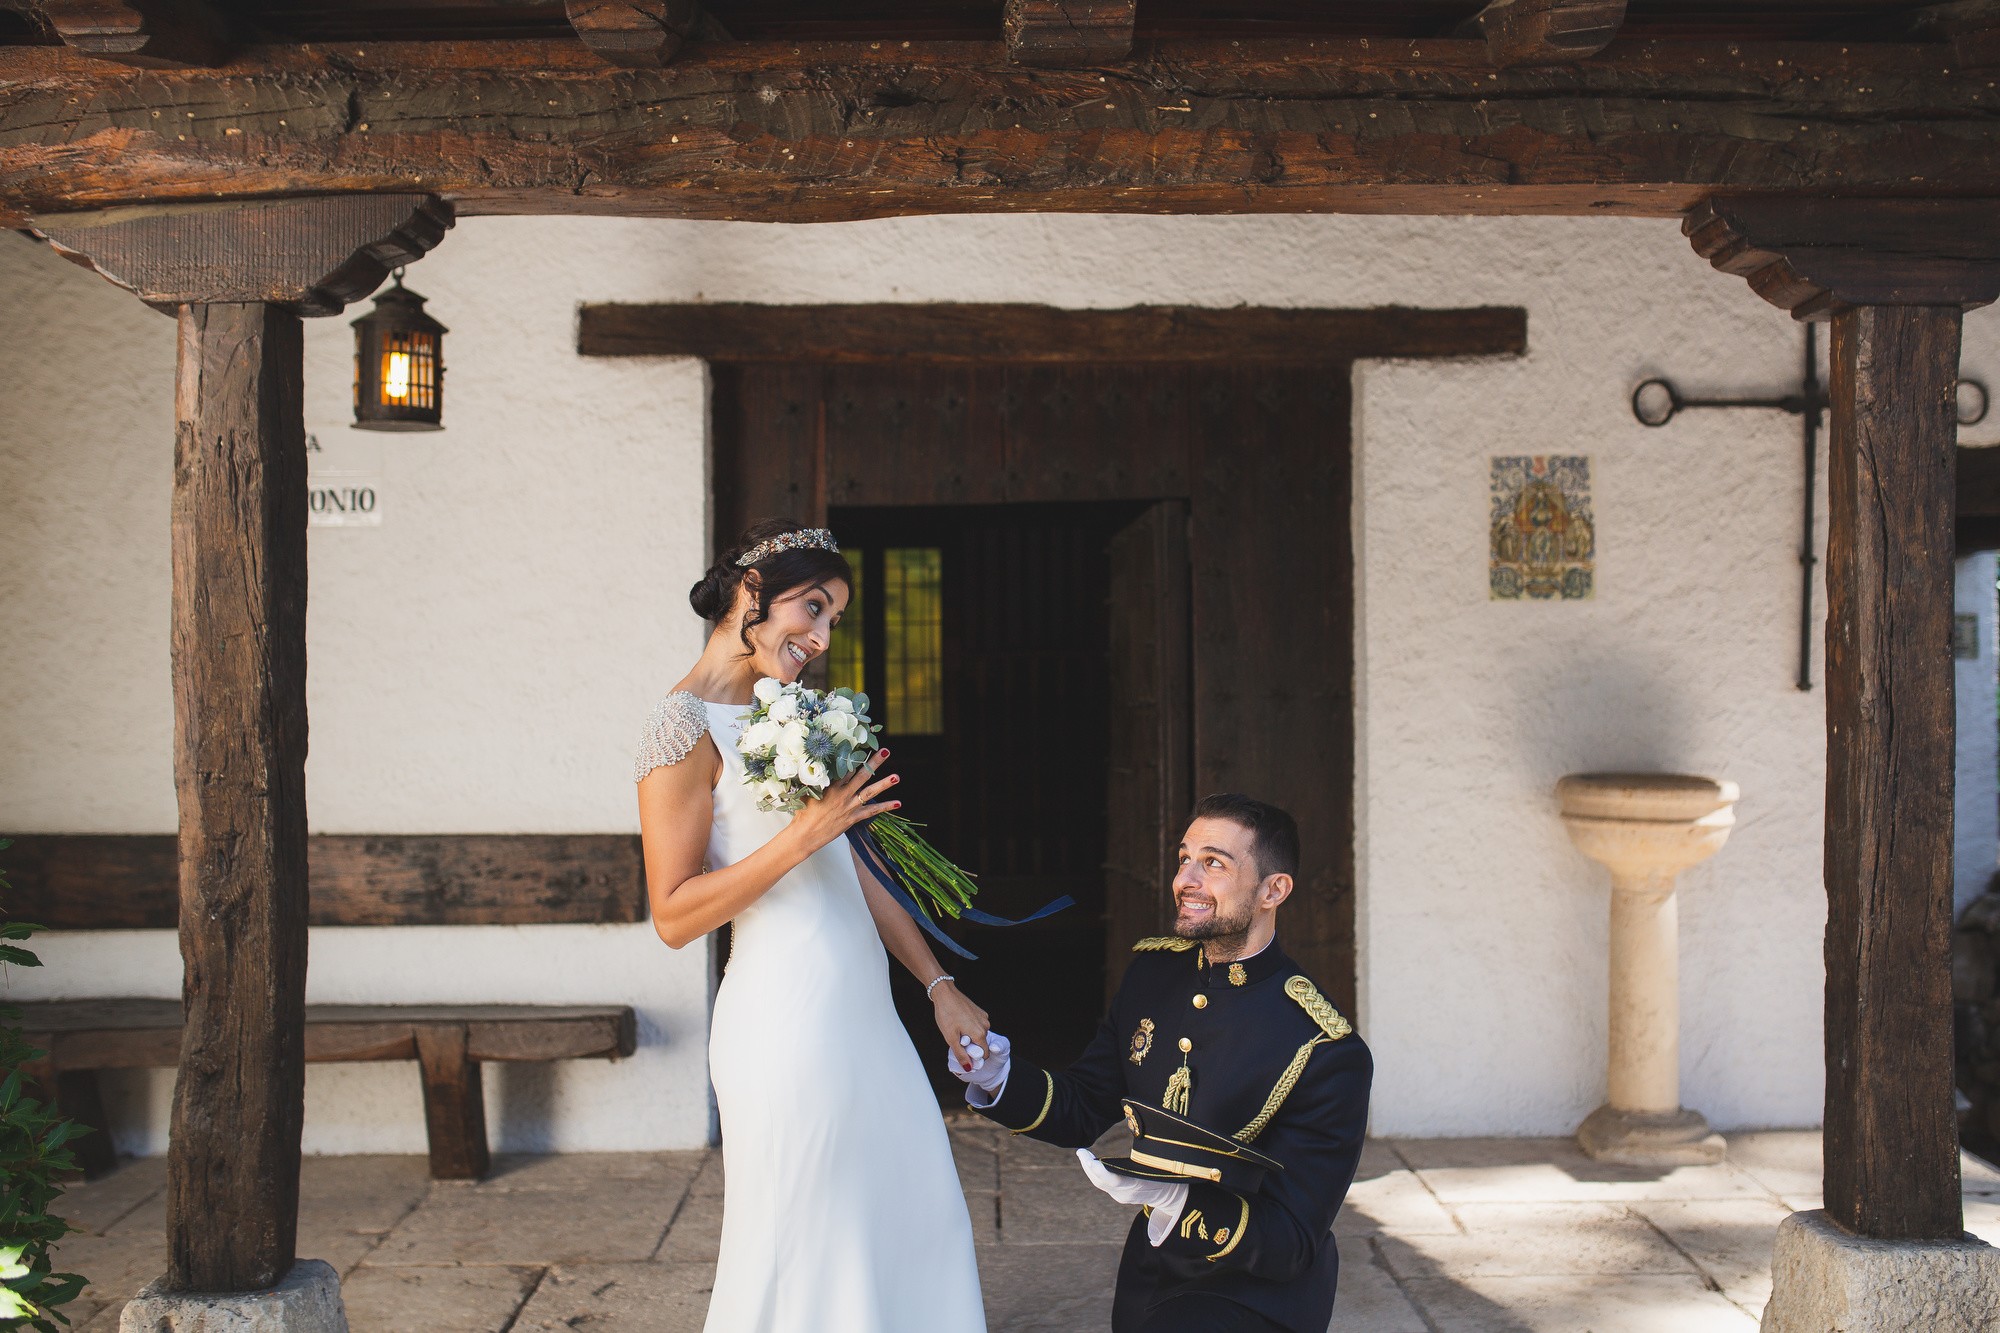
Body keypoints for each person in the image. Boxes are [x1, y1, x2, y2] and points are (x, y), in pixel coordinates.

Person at [635, 519, 989, 1333]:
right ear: (751, 595)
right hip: (784, 1021)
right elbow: (673, 914)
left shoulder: (788, 711)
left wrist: (939, 985)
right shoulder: (678, 730)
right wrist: (806, 831)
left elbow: (854, 867)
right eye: (814, 608)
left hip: (862, 1013)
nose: (823, 637)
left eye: (834, 620)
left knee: (917, 1206)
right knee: (805, 1239)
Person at [955, 793, 1372, 1333]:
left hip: (1254, 1298)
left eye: (1214, 863)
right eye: (1184, 858)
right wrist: (998, 1077)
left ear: (1274, 890)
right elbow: (1084, 1106)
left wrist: (1177, 1202)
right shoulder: (1153, 976)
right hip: (1149, 1277)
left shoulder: (1323, 1048)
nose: (1187, 879)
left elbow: (1292, 1241)